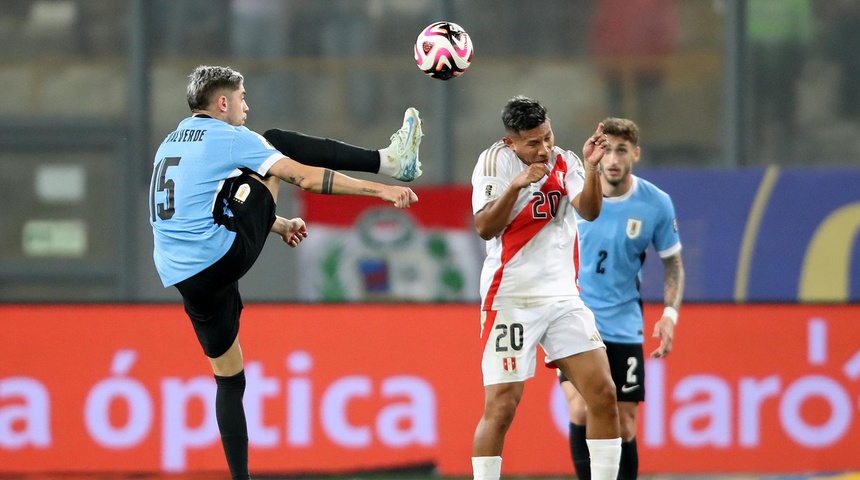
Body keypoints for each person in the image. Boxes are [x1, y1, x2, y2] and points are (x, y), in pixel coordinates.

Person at [148, 65, 422, 480]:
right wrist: (380, 190)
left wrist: (275, 223)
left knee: (229, 379)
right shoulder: (229, 136)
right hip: (222, 256)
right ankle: (390, 161)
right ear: (222, 103)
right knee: (273, 143)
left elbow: (207, 201)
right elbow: (304, 177)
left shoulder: (170, 142)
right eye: (241, 98)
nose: (246, 106)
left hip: (185, 276)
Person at [470, 95, 621, 480]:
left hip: (563, 299)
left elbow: (589, 210)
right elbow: (486, 227)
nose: (544, 148)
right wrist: (517, 186)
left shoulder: (565, 160)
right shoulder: (494, 163)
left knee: (603, 394)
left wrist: (590, 168)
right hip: (511, 297)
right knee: (502, 407)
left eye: (547, 137)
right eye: (533, 143)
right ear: (511, 143)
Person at [558, 117, 685, 480]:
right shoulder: (576, 194)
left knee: (624, 422)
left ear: (635, 154)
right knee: (581, 409)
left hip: (624, 325)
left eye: (621, 150)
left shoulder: (655, 203)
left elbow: (673, 263)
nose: (612, 159)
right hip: (575, 320)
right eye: (607, 149)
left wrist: (670, 315)